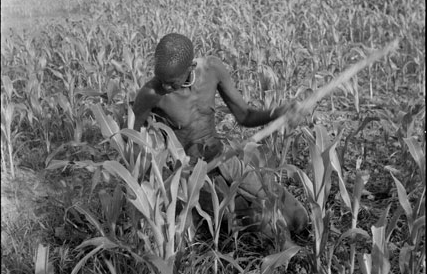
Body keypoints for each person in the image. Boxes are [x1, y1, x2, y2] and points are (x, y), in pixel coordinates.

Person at [132, 33, 308, 236]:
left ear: (190, 67)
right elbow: (131, 137)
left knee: (298, 218)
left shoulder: (212, 70)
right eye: (160, 80)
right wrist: (156, 182)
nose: (164, 87)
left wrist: (277, 113)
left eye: (171, 82)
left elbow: (245, 116)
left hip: (224, 158)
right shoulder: (151, 94)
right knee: (261, 224)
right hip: (195, 174)